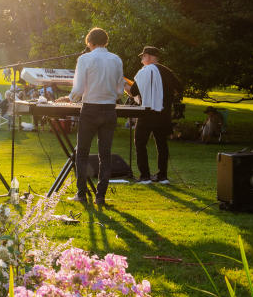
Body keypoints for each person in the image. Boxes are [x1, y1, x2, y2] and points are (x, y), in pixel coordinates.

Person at [69, 27, 126, 205]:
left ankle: (82, 194)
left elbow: (78, 90)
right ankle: (100, 196)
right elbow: (119, 90)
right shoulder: (116, 59)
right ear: (106, 41)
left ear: (89, 42)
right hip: (109, 109)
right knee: (105, 154)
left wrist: (71, 99)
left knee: (82, 153)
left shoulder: (85, 58)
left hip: (90, 109)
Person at [129, 46, 183, 184]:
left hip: (147, 113)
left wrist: (124, 85)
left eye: (143, 57)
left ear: (148, 56)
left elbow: (133, 92)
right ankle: (162, 176)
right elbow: (180, 87)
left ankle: (145, 176)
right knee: (161, 144)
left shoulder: (144, 72)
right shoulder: (167, 71)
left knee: (140, 143)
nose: (141, 60)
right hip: (163, 113)